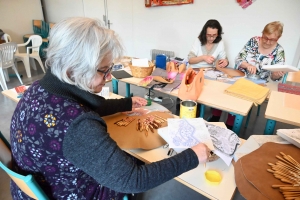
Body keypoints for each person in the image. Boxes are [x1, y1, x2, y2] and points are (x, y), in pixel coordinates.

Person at [10, 17, 210, 200]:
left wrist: (127, 103)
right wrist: (192, 156)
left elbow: (84, 104)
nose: (108, 78)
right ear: (72, 71)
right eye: (104, 71)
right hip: (69, 193)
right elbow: (132, 179)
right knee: (136, 161)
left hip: (33, 188)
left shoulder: (40, 88)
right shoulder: (79, 127)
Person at [210, 21, 286, 128]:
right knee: (224, 88)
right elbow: (238, 58)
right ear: (262, 33)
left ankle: (230, 123)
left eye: (272, 39)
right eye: (265, 37)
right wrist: (246, 65)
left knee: (239, 95)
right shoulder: (254, 41)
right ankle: (215, 116)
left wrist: (277, 75)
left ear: (278, 38)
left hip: (260, 83)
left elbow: (274, 78)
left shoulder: (279, 51)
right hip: (240, 75)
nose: (267, 42)